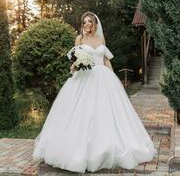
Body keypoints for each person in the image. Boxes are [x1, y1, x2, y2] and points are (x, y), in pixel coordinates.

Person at [32, 11, 156, 173]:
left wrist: (114, 79)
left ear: (95, 24)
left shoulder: (100, 39)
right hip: (84, 78)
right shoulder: (80, 39)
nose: (87, 24)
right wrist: (75, 67)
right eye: (85, 22)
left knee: (104, 113)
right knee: (83, 113)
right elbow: (75, 60)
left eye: (90, 21)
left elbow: (105, 60)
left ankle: (106, 146)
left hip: (103, 77)